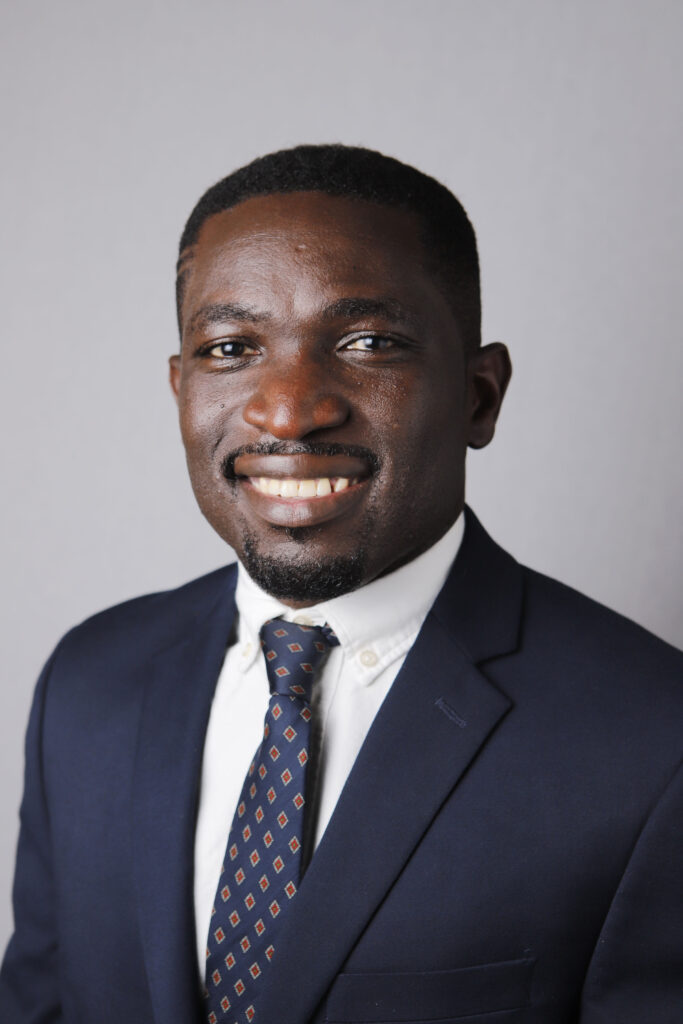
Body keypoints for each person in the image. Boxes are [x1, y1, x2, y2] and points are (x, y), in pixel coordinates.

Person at [0, 144, 681, 1024]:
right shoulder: (88, 683)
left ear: (478, 397)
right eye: (231, 347)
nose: (287, 409)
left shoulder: (653, 741)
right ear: (180, 392)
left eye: (367, 342)